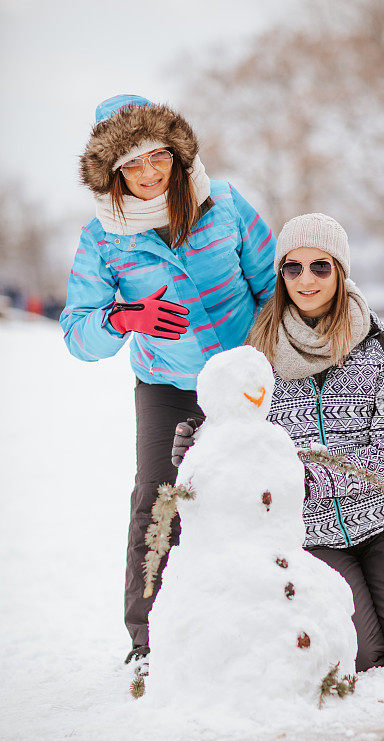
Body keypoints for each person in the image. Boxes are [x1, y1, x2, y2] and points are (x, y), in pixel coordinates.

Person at [173, 213, 384, 672]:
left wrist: (302, 476)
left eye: (320, 267)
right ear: (281, 274)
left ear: (340, 271)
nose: (306, 279)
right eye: (293, 267)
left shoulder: (380, 347)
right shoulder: (256, 354)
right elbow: (238, 435)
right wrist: (197, 450)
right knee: (357, 654)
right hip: (310, 533)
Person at [60, 94, 277, 670]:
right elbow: (77, 331)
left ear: (177, 154)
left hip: (245, 379)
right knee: (159, 502)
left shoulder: (223, 204)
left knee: (263, 492)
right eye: (132, 164)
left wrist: (263, 361)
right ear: (112, 173)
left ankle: (279, 619)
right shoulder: (103, 238)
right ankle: (147, 644)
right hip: (167, 387)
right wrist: (124, 318)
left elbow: (272, 287)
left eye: (158, 155)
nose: (149, 172)